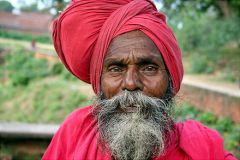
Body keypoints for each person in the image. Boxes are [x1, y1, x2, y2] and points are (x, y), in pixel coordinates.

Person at [42, 0, 237, 160]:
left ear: (170, 79)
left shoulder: (205, 150)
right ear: (99, 80)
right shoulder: (77, 130)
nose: (131, 83)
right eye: (116, 68)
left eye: (149, 68)